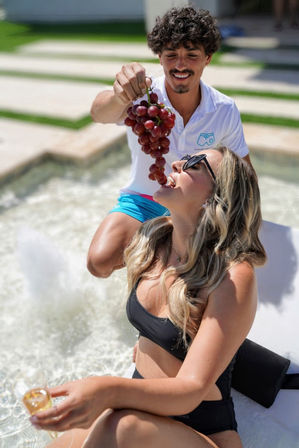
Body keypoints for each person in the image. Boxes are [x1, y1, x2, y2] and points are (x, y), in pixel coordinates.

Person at [29, 147, 266, 448]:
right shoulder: (153, 240)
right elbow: (98, 261)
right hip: (142, 414)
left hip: (203, 433)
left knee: (120, 427)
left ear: (217, 197)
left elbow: (191, 389)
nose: (178, 162)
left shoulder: (232, 276)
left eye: (195, 164)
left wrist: (108, 389)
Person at [87, 6, 252, 279]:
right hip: (145, 200)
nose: (180, 64)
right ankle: (156, 259)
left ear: (207, 58)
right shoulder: (141, 96)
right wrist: (120, 95)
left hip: (197, 207)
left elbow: (243, 173)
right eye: (171, 55)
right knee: (99, 262)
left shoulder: (224, 109)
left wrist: (244, 225)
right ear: (160, 57)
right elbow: (98, 112)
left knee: (199, 279)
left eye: (192, 55)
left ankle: (157, 262)